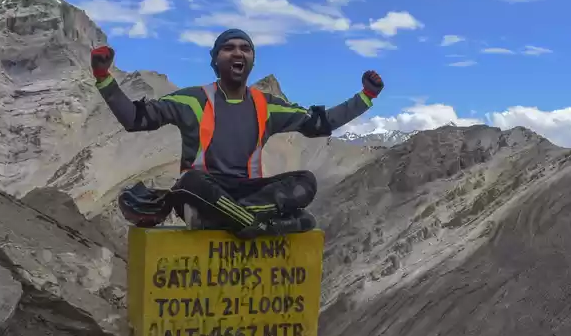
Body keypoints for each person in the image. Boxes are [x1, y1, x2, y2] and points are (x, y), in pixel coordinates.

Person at [89, 28, 383, 237]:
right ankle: (265, 224)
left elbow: (318, 124)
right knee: (190, 182)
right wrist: (103, 78)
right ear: (215, 60)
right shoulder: (192, 99)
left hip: (247, 195)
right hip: (203, 195)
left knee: (306, 181)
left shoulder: (266, 105)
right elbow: (135, 119)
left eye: (245, 48)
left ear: (252, 60)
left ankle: (240, 221)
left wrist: (366, 96)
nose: (238, 52)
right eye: (229, 48)